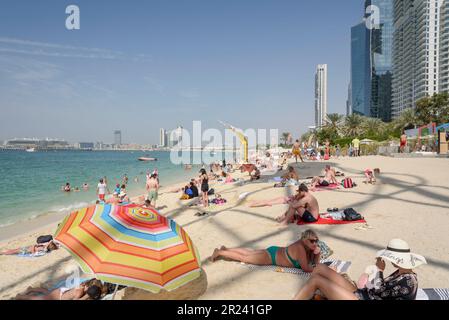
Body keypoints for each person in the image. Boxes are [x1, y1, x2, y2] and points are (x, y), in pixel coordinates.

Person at [293, 239, 426, 300]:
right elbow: (376, 289)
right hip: (364, 294)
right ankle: (308, 294)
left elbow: (379, 291)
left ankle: (308, 293)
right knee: (321, 268)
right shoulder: (402, 272)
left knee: (317, 280)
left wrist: (379, 270)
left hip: (365, 298)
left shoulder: (407, 282)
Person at [210, 229, 321, 272]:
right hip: (270, 258)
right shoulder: (301, 249)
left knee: (250, 252)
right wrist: (318, 257)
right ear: (305, 240)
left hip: (274, 251)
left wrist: (317, 253)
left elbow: (313, 263)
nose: (315, 243)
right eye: (312, 241)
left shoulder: (305, 246)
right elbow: (307, 268)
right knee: (244, 258)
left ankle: (227, 249)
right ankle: (220, 252)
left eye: (316, 241)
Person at [16, 282, 103, 300]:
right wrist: (86, 296)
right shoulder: (80, 292)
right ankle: (20, 296)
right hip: (59, 296)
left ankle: (31, 289)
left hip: (61, 291)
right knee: (39, 298)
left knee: (46, 292)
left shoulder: (82, 285)